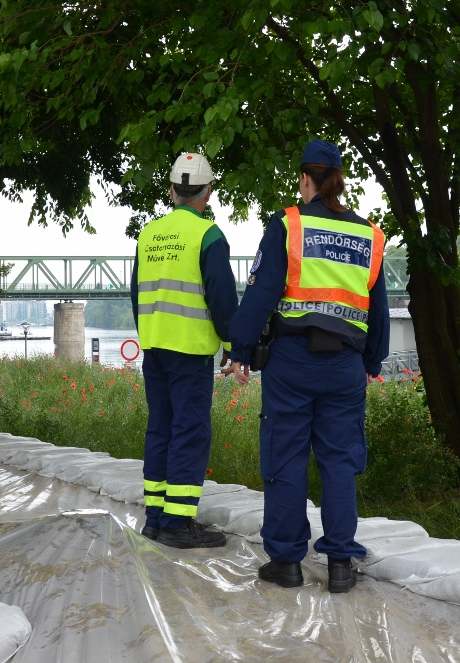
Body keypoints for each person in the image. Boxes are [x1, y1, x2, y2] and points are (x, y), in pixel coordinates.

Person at [226, 140, 389, 593]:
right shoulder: (369, 235)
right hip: (345, 367)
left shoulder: (288, 224)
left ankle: (286, 563)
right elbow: (378, 308)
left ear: (305, 179)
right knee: (339, 461)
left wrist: (240, 348)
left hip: (292, 363)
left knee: (286, 458)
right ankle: (340, 563)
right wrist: (372, 361)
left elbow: (261, 292)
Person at [130, 152, 239, 548]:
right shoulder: (208, 236)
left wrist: (151, 335)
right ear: (207, 192)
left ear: (172, 190)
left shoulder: (148, 235)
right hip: (190, 352)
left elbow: (136, 296)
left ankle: (156, 518)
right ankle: (177, 523)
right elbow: (223, 300)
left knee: (160, 428)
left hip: (155, 348)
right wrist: (232, 345)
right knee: (189, 432)